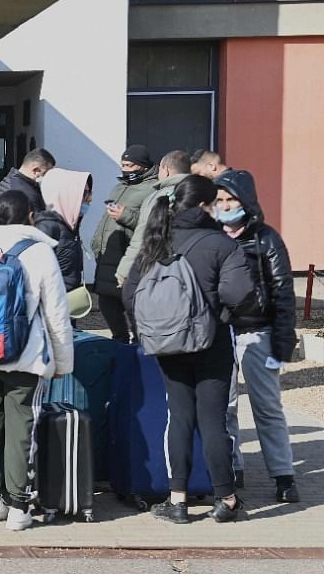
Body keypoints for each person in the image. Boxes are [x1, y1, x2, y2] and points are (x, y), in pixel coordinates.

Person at [123, 175, 257, 524]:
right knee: (213, 421)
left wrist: (149, 329)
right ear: (202, 206)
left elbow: (130, 292)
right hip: (211, 342)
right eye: (214, 203)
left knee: (179, 417)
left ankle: (177, 501)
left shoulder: (156, 240)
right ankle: (225, 499)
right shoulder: (221, 245)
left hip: (168, 345)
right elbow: (240, 293)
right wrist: (222, 315)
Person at [0, 191, 74, 532]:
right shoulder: (40, 252)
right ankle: (18, 506)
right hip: (24, 357)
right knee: (21, 430)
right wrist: (63, 362)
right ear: (30, 215)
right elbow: (57, 314)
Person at [215, 170, 301, 503]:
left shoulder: (266, 238)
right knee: (225, 407)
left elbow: (283, 291)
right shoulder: (212, 236)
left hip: (257, 331)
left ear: (245, 201)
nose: (224, 206)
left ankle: (283, 475)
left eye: (230, 200)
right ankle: (233, 468)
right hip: (221, 333)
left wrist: (283, 338)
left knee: (267, 407)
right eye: (219, 200)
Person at [90, 145, 157, 343]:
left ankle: (139, 347)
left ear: (143, 167)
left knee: (131, 306)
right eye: (123, 164)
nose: (125, 169)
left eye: (130, 165)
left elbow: (151, 224)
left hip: (128, 256)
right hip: (107, 256)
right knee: (107, 303)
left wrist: (125, 216)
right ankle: (119, 346)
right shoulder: (120, 186)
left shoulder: (151, 189)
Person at [116, 150, 192, 287]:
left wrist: (124, 272)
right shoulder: (197, 193)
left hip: (159, 267)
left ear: (166, 170)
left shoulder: (156, 197)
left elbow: (142, 236)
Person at [35, 168, 93, 291]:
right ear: (66, 194)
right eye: (84, 194)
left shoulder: (69, 226)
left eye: (89, 193)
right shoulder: (48, 228)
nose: (89, 199)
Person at [0, 148, 56, 215]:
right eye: (44, 173)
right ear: (35, 170)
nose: (46, 177)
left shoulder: (11, 179)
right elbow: (38, 222)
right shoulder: (26, 194)